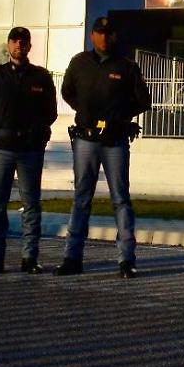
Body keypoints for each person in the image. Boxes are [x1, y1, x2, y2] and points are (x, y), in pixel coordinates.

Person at [56, 16, 151, 278]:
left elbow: (143, 100)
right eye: (99, 33)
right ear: (92, 36)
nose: (104, 38)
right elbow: (67, 92)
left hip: (114, 141)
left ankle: (126, 260)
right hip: (86, 140)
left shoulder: (127, 66)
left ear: (115, 37)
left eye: (109, 33)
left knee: (121, 199)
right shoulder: (79, 62)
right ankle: (72, 258)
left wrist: (120, 117)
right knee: (81, 199)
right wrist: (85, 111)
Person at [0, 26, 58, 275]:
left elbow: (51, 113)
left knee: (31, 204)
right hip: (1, 148)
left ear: (30, 46)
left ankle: (29, 258)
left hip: (30, 149)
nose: (19, 45)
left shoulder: (41, 77)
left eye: (24, 41)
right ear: (8, 44)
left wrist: (37, 132)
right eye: (15, 41)